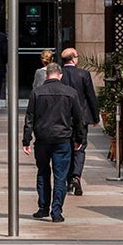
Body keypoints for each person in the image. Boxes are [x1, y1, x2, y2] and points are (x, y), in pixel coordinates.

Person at [22, 62, 85, 223]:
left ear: (46, 75)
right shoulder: (70, 93)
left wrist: (26, 139)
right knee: (60, 176)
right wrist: (79, 139)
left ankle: (43, 208)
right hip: (63, 139)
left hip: (42, 139)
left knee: (43, 172)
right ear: (60, 75)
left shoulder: (37, 93)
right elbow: (78, 119)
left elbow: (29, 118)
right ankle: (56, 211)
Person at [60, 47, 100, 196]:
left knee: (66, 148)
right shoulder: (83, 74)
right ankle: (76, 176)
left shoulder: (59, 74)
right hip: (81, 118)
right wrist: (96, 117)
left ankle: (67, 179)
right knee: (80, 148)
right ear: (73, 59)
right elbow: (91, 96)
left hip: (63, 118)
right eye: (77, 56)